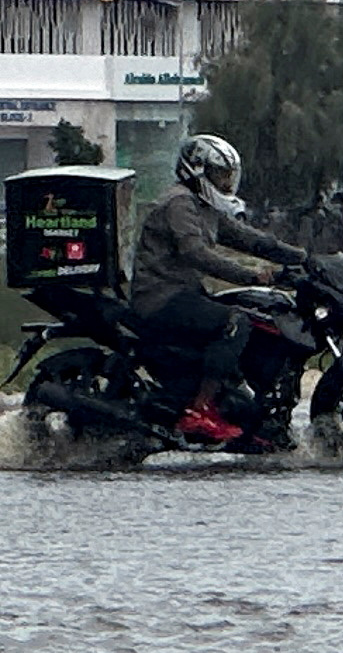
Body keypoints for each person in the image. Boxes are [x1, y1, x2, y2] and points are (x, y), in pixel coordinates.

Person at [130, 134, 308, 442]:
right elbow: (196, 254)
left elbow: (246, 237)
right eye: (220, 174)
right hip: (160, 296)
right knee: (234, 322)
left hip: (183, 293)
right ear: (198, 170)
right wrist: (251, 276)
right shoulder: (179, 203)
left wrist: (303, 257)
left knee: (257, 315)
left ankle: (239, 407)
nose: (227, 182)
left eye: (229, 175)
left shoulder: (204, 206)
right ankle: (201, 410)